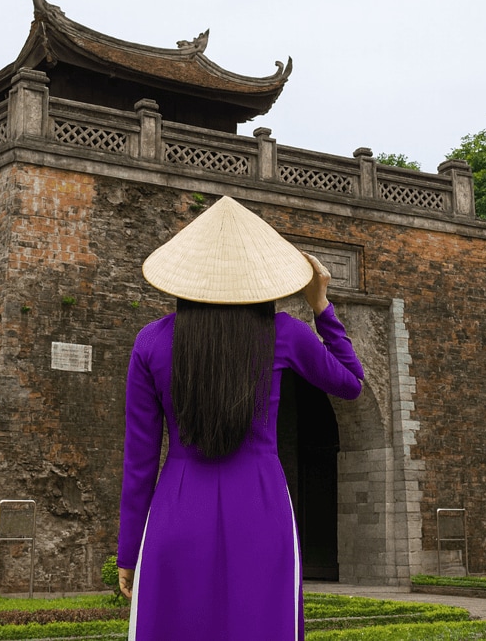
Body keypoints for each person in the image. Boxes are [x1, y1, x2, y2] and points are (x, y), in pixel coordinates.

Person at [116, 196, 364, 640]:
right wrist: (321, 305)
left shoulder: (150, 343)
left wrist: (128, 550)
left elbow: (139, 462)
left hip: (176, 511)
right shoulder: (285, 333)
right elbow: (351, 381)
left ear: (187, 274)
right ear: (259, 276)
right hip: (262, 507)